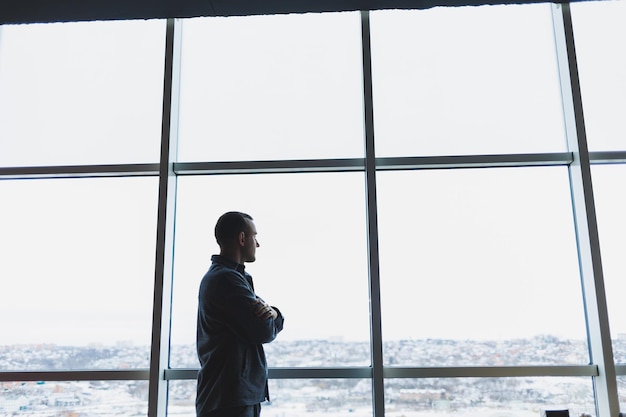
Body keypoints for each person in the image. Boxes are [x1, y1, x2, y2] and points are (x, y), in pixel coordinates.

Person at [196, 211, 285, 417]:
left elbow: (265, 320)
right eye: (255, 236)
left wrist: (272, 312)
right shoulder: (227, 279)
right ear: (242, 238)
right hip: (229, 399)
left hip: (230, 397)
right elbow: (262, 331)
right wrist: (274, 315)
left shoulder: (230, 277)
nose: (258, 244)